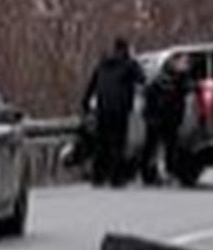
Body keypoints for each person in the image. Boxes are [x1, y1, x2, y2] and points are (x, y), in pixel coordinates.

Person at [82, 38, 145, 187]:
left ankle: (98, 176)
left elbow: (91, 86)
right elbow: (142, 79)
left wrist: (86, 106)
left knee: (102, 143)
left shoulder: (102, 64)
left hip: (102, 109)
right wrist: (134, 60)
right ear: (126, 49)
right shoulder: (128, 64)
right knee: (117, 143)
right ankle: (116, 178)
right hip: (120, 109)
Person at [141, 54, 193, 185]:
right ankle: (152, 173)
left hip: (167, 118)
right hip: (160, 118)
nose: (185, 66)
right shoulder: (163, 80)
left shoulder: (179, 80)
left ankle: (163, 172)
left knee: (166, 147)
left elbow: (187, 89)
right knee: (156, 146)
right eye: (182, 63)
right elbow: (150, 96)